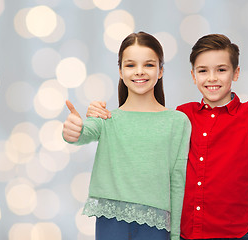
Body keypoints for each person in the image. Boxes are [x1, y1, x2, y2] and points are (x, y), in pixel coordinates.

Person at [86, 33, 248, 240]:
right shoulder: (182, 115)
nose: (212, 78)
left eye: (221, 70)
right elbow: (146, 131)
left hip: (234, 232)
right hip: (188, 232)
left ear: (236, 73)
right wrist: (99, 114)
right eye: (203, 71)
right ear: (193, 76)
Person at [62, 31, 191, 240]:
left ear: (160, 71)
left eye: (148, 65)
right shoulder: (105, 118)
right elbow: (83, 133)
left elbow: (178, 181)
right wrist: (72, 130)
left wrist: (176, 235)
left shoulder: (178, 122)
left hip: (157, 226)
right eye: (131, 65)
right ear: (120, 71)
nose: (139, 71)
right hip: (111, 223)